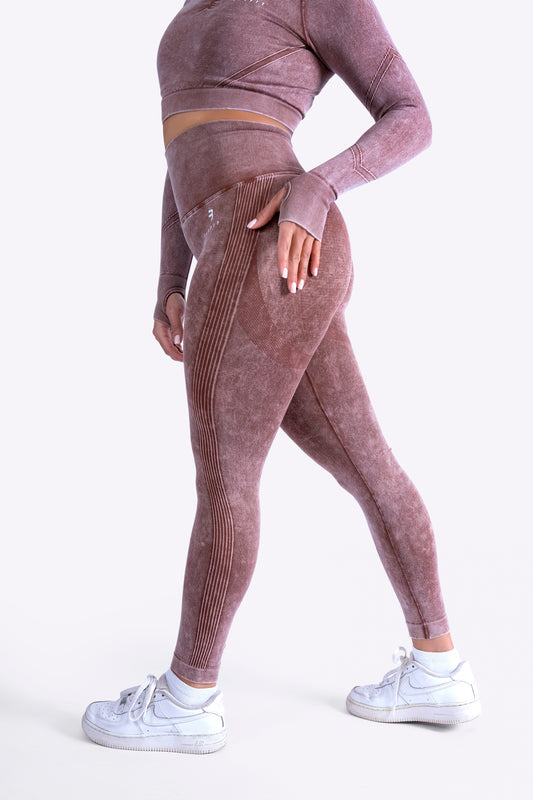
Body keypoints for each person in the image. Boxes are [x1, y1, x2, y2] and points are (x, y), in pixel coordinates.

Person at [82, 0, 480, 754]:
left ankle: (188, 698)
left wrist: (319, 187)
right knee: (364, 461)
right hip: (234, 237)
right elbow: (182, 143)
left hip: (271, 232)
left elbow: (411, 115)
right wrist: (171, 272)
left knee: (226, 474)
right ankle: (438, 670)